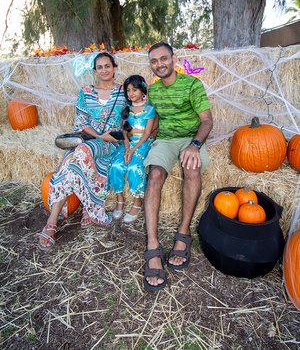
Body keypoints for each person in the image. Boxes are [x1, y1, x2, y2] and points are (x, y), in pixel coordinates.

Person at [143, 42, 213, 292]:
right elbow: (154, 119)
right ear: (151, 65)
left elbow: (207, 121)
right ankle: (153, 246)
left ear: (173, 59)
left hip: (190, 138)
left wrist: (194, 145)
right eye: (154, 61)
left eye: (163, 58)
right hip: (165, 140)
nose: (159, 64)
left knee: (191, 168)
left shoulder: (192, 84)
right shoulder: (153, 91)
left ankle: (183, 235)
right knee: (154, 176)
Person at [38, 52, 126, 250]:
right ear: (95, 71)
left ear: (114, 67)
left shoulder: (123, 92)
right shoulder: (86, 91)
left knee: (74, 157)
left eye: (108, 66)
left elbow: (133, 117)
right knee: (77, 156)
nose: (104, 70)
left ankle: (54, 222)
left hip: (111, 143)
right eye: (100, 67)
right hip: (89, 139)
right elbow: (81, 123)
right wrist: (100, 135)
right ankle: (67, 215)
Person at [109, 75, 157, 223]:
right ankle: (120, 198)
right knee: (116, 165)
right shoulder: (126, 109)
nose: (131, 93)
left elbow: (147, 133)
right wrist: (127, 146)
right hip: (128, 143)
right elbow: (125, 130)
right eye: (128, 90)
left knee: (134, 167)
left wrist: (134, 149)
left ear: (142, 90)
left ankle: (137, 202)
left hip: (143, 143)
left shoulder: (149, 109)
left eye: (134, 90)